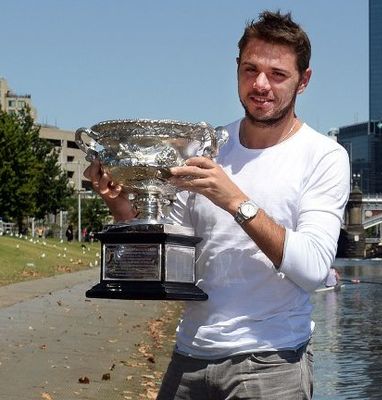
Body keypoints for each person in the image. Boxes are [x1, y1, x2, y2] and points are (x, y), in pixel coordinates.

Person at [84, 10, 349, 399]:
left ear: (303, 81)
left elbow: (312, 269)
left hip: (271, 362)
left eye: (278, 74)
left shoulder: (324, 156)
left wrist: (236, 201)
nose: (260, 84)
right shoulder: (206, 146)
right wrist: (123, 206)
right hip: (191, 354)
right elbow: (167, 250)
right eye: (250, 69)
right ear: (237, 69)